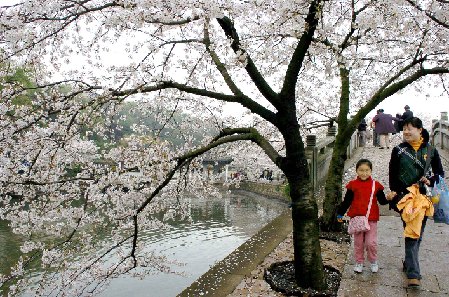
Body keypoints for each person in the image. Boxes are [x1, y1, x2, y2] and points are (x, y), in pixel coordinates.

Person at [387, 117, 444, 288]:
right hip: (406, 198)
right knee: (413, 230)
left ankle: (409, 264)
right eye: (404, 129)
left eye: (409, 128)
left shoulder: (431, 150)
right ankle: (413, 273)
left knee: (416, 233)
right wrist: (397, 194)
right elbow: (392, 174)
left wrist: (430, 179)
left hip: (424, 198)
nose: (406, 132)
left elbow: (440, 174)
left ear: (420, 130)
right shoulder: (398, 150)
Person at [337, 159, 394, 273]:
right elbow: (347, 201)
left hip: (371, 218)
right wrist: (340, 213)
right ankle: (359, 262)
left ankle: (373, 261)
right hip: (357, 218)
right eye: (361, 170)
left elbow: (382, 201)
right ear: (356, 171)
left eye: (367, 170)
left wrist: (389, 198)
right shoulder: (352, 185)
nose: (364, 173)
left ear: (371, 171)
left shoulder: (376, 185)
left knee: (370, 242)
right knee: (358, 243)